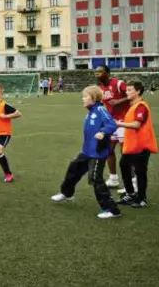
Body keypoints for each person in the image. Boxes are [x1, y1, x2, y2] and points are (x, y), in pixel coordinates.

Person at [50, 86, 122, 219]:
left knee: (95, 179)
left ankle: (112, 210)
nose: (82, 99)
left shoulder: (100, 110)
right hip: (87, 151)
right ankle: (67, 193)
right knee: (74, 169)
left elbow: (112, 124)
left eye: (85, 96)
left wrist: (102, 132)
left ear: (93, 98)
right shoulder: (91, 111)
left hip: (98, 154)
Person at [115, 80, 158, 208]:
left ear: (138, 91)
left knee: (140, 171)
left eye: (129, 90)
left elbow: (137, 125)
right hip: (133, 145)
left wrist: (119, 123)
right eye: (126, 90)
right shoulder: (133, 106)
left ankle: (142, 199)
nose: (126, 92)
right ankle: (130, 193)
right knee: (124, 165)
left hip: (142, 145)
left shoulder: (141, 106)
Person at [95, 65, 130, 189]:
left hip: (125, 121)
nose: (97, 74)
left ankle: (131, 182)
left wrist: (119, 101)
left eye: (100, 72)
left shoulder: (119, 84)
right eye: (96, 72)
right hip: (112, 122)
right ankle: (113, 178)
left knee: (125, 152)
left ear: (108, 73)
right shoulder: (100, 89)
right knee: (108, 149)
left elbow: (132, 95)